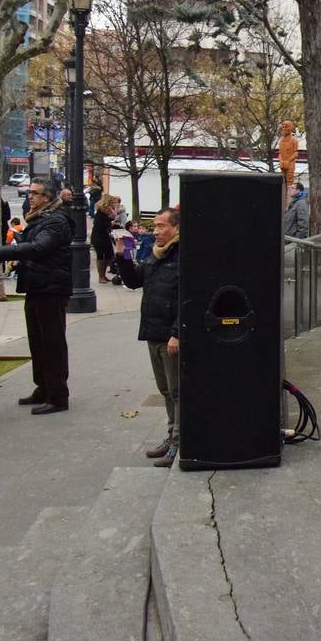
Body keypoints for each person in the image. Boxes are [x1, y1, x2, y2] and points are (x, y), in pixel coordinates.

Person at [0, 177, 73, 414]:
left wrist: (0, 253)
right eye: (30, 193)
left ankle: (57, 395)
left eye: (35, 193)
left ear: (47, 197)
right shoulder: (40, 218)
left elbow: (39, 248)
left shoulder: (56, 221)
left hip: (51, 288)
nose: (30, 197)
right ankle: (43, 387)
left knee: (52, 342)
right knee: (37, 341)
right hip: (37, 285)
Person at [115, 207, 181, 467]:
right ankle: (171, 435)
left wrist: (176, 334)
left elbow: (185, 299)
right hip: (153, 333)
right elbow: (134, 282)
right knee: (165, 389)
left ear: (176, 228)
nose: (156, 232)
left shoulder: (181, 256)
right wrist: (121, 257)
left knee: (177, 392)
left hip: (170, 337)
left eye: (161, 226)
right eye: (155, 226)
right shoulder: (155, 255)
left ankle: (178, 441)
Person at [91, 198, 115, 284]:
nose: (114, 204)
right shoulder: (100, 212)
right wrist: (110, 223)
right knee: (101, 257)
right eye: (113, 202)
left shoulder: (107, 212)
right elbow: (98, 224)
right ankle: (101, 277)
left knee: (109, 256)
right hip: (99, 237)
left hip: (105, 236)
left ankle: (103, 275)